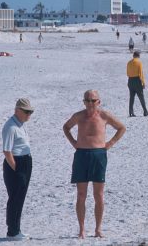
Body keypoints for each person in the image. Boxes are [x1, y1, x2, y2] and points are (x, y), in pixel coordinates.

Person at [63, 90, 126, 239]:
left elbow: (121, 128)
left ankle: (98, 229)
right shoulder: (78, 116)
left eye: (93, 100)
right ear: (84, 102)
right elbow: (66, 127)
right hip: (81, 155)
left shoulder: (104, 115)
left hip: (98, 155)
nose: (90, 103)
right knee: (81, 194)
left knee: (98, 195)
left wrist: (110, 143)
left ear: (98, 101)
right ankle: (82, 230)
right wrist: (74, 143)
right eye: (87, 100)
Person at [2, 98, 34, 240]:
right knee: (15, 197)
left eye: (30, 112)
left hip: (25, 161)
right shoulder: (11, 127)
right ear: (17, 110)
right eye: (26, 111)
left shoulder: (20, 124)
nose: (29, 115)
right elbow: (7, 151)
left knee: (20, 197)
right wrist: (17, 169)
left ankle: (16, 229)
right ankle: (12, 231)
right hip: (16, 163)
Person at [127, 51, 148, 117]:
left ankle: (131, 112)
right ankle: (145, 112)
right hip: (137, 80)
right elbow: (141, 74)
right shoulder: (139, 62)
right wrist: (143, 82)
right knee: (141, 97)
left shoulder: (129, 62)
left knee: (131, 97)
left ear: (133, 55)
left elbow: (127, 73)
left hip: (130, 80)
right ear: (138, 56)